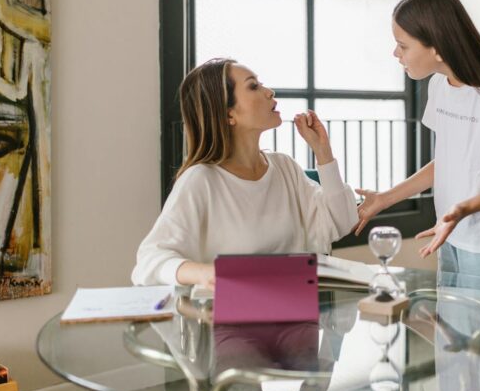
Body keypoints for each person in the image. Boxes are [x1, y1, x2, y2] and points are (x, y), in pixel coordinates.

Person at [355, 0, 480, 288]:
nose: (396, 53)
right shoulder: (440, 87)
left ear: (437, 47)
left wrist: (464, 207)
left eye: (403, 45)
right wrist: (386, 198)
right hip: (451, 234)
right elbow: (447, 161)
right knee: (452, 336)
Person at [131, 58, 358, 288]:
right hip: (231, 319)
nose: (269, 92)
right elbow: (150, 261)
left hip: (297, 312)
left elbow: (341, 222)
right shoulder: (201, 180)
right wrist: (206, 275)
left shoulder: (284, 168)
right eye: (253, 86)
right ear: (229, 114)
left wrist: (323, 152)